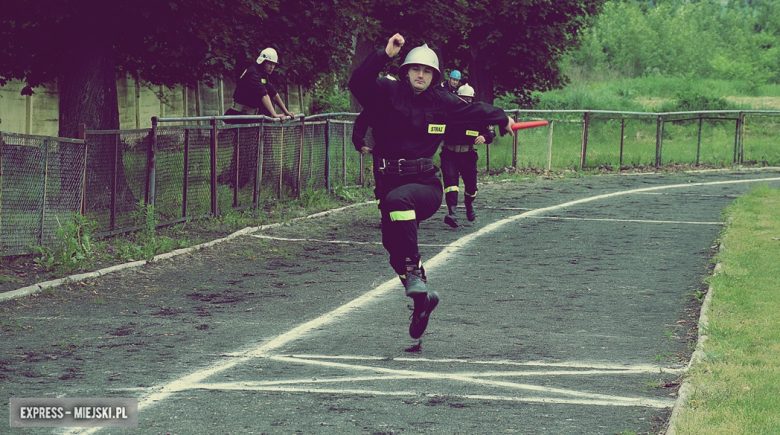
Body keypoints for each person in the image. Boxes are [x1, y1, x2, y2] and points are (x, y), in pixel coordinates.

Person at [349, 33, 514, 339]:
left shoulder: (442, 102)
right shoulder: (387, 91)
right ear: (406, 71)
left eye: (427, 71)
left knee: (400, 202)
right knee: (392, 249)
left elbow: (473, 110)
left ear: (435, 76)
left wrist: (500, 117)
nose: (421, 75)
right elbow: (358, 83)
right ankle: (422, 301)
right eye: (415, 69)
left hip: (425, 185)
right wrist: (384, 53)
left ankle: (414, 272)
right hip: (389, 183)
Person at [440, 83, 495, 227]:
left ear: (472, 100)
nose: (464, 102)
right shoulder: (448, 113)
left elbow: (491, 132)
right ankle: (452, 213)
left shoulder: (479, 115)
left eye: (468, 99)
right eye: (461, 99)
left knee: (471, 187)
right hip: (449, 153)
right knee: (450, 184)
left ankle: (469, 204)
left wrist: (484, 137)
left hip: (467, 155)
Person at [223, 47, 295, 124]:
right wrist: (274, 114)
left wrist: (286, 112)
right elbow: (264, 95)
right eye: (269, 63)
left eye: (273, 64)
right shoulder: (253, 73)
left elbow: (273, 93)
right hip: (240, 117)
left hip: (250, 117)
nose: (272, 67)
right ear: (263, 62)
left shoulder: (262, 74)